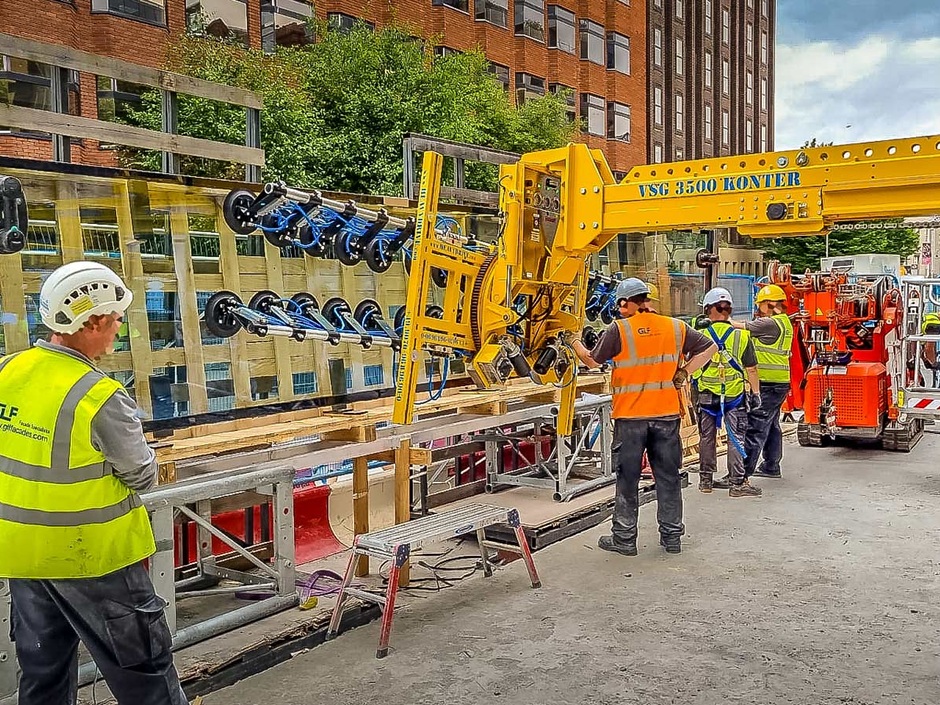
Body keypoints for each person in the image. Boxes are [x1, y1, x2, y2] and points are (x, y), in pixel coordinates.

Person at [0, 262, 187, 705]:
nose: (119, 329)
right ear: (95, 320)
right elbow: (141, 473)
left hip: (24, 557)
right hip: (96, 560)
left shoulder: (8, 370)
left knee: (43, 678)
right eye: (117, 319)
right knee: (146, 678)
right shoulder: (99, 395)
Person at [572, 278, 717, 556]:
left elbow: (591, 360)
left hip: (631, 417)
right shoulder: (675, 327)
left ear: (626, 302)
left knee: (628, 478)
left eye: (620, 305)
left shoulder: (620, 329)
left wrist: (574, 342)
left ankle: (624, 539)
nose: (619, 310)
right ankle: (672, 538)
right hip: (665, 416)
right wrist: (685, 371)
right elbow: (710, 346)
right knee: (668, 477)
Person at [693, 288, 762, 497]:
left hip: (705, 395)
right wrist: (756, 393)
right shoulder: (741, 336)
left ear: (707, 311)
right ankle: (737, 483)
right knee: (736, 438)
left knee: (706, 438)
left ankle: (706, 481)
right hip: (734, 397)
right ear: (729, 310)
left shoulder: (699, 335)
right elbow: (751, 369)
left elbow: (690, 364)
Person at [730, 283, 793, 480]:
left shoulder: (770, 323)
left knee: (755, 427)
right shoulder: (783, 322)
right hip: (779, 382)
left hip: (768, 384)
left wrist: (719, 319)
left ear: (771, 304)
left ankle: (742, 474)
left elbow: (740, 326)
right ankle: (771, 465)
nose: (759, 309)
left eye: (761, 305)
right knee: (772, 424)